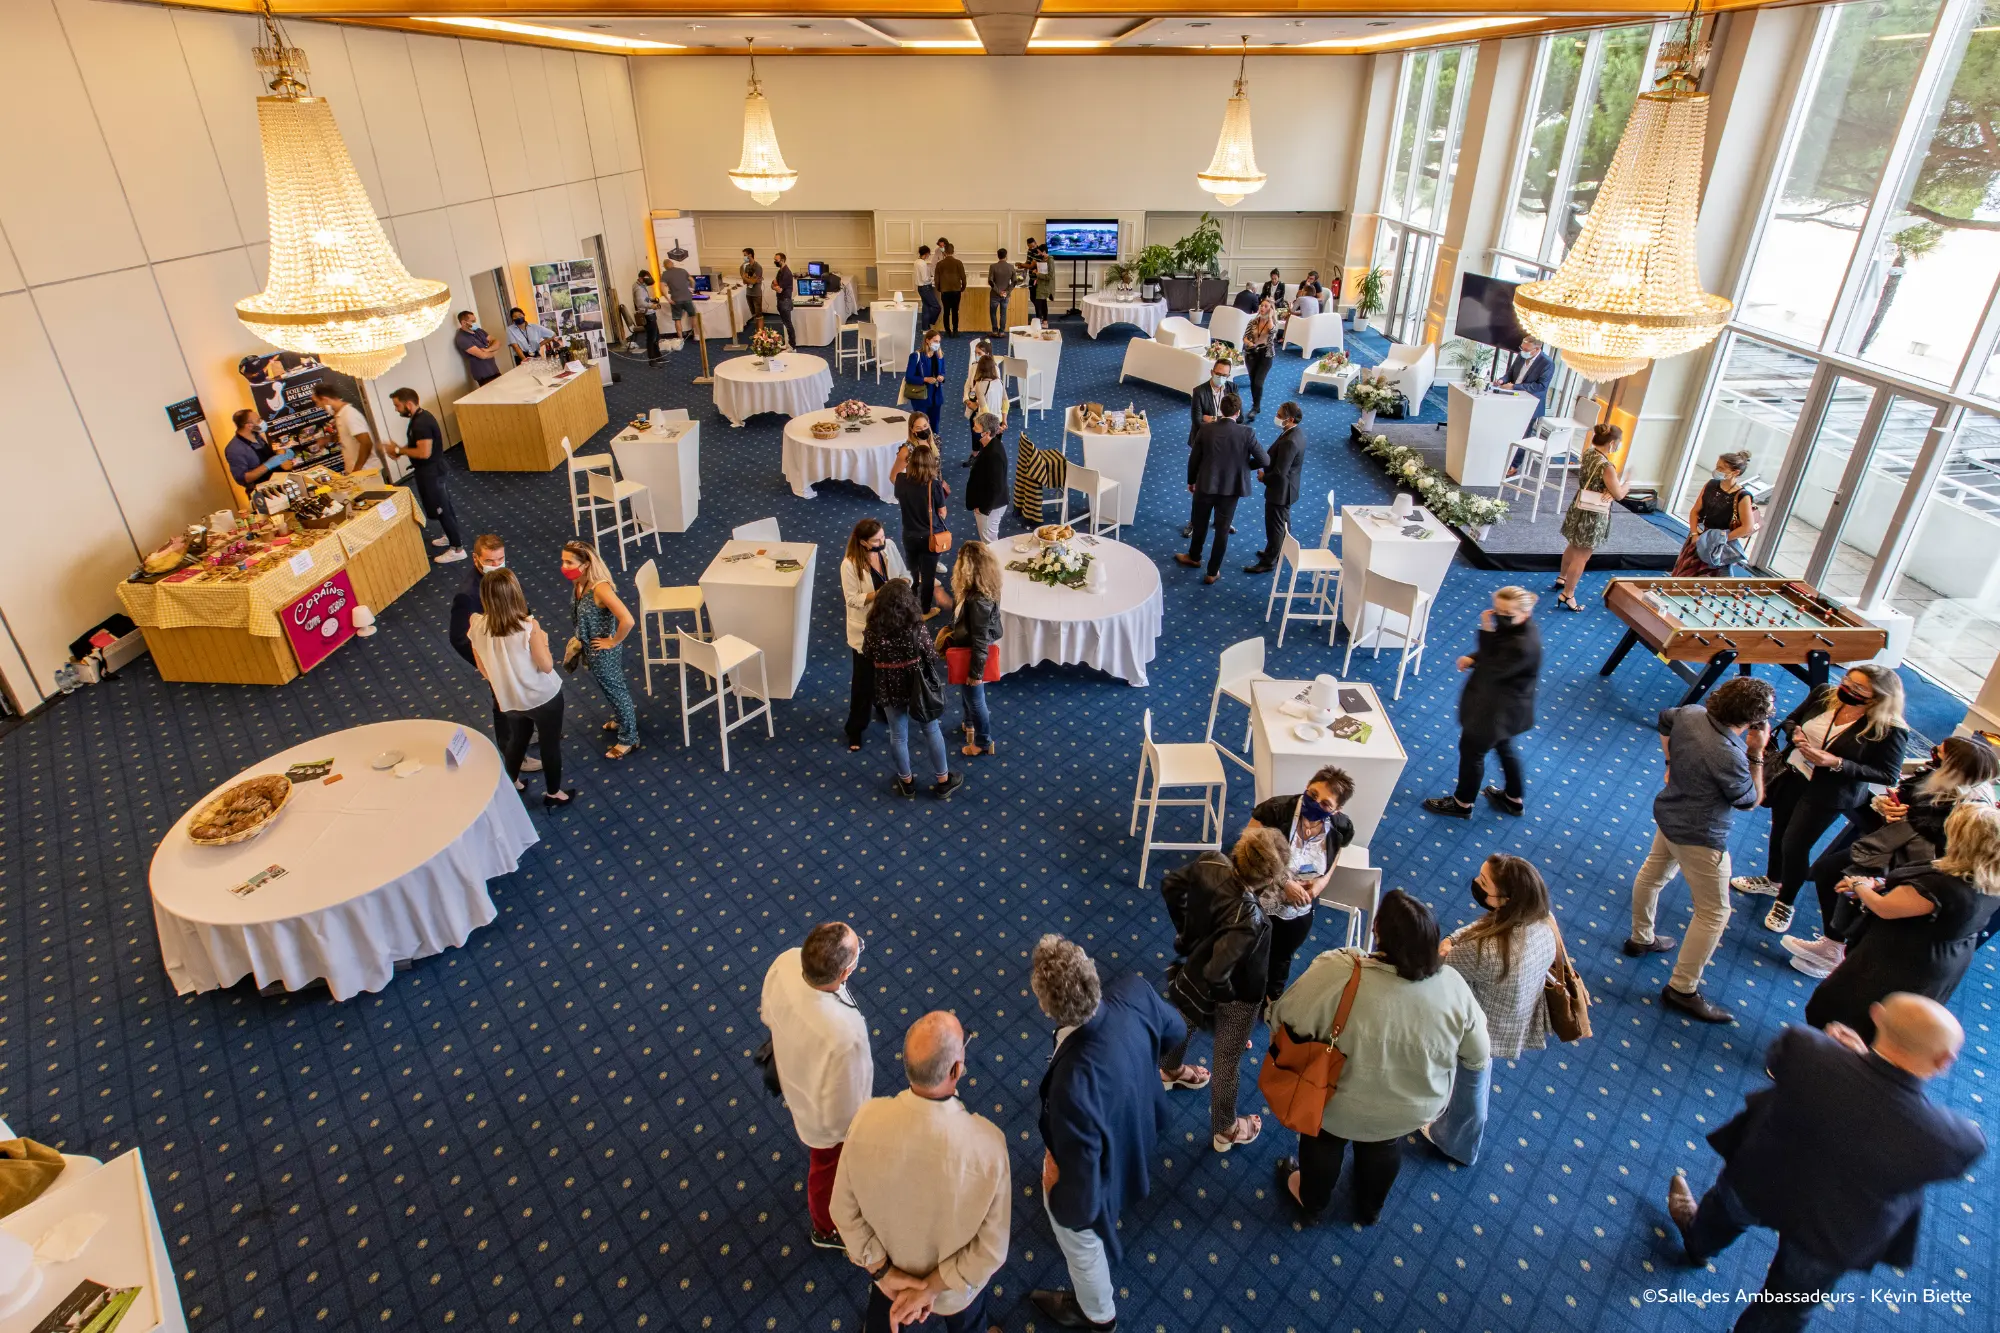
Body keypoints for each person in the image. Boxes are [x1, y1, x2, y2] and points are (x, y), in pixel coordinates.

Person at [1665, 996, 1985, 1333]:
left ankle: (1698, 1243)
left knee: (1722, 1214)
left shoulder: (1807, 1048)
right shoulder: (1953, 1139)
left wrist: (1858, 1058)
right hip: (1833, 1231)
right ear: (1945, 1061)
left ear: (1876, 1016)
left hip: (1760, 1178)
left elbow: (1784, 1062)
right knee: (1785, 1309)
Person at [1270, 891, 1489, 1224]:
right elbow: (1478, 1055)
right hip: (1410, 1108)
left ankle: (1312, 1202)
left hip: (1331, 1100)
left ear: (1377, 931)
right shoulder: (1454, 986)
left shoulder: (1337, 970)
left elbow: (1283, 1018)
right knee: (1384, 1144)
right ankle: (1370, 1208)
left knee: (1324, 1140)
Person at [1029, 934, 1185, 1333]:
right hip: (1140, 1121)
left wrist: (1057, 1197)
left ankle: (1098, 1315)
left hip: (1101, 1164)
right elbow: (1176, 1030)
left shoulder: (1071, 1085)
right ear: (1092, 971)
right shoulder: (1134, 989)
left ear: (1047, 1007)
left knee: (1079, 1240)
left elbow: (1080, 1194)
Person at [831, 1012, 1008, 1333]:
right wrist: (931, 1288)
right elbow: (991, 1248)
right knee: (968, 1325)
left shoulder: (866, 1119)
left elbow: (842, 1210)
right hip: (955, 1292)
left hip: (891, 1281)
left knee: (882, 1320)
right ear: (957, 1070)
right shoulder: (988, 1145)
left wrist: (881, 1270)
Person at [1624, 675, 1776, 1024]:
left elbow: (1665, 717)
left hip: (1670, 813)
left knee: (1652, 874)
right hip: (1701, 837)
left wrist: (1670, 763)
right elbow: (1750, 801)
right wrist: (1756, 754)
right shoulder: (1730, 755)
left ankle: (1640, 938)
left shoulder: (1691, 713)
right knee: (1714, 913)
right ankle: (1682, 988)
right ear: (1752, 720)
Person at [1788, 736, 1999, 978]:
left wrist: (1913, 818)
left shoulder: (1972, 805)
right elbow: (1910, 799)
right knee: (1829, 874)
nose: (1933, 755)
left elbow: (1952, 841)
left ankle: (1842, 953)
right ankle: (1834, 943)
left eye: (1939, 753)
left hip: (1914, 860)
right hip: (1891, 845)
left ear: (1955, 765)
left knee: (1854, 892)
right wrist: (1891, 807)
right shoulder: (1941, 776)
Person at [1732, 665, 1909, 935]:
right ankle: (1773, 880)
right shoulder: (1825, 694)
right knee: (1779, 832)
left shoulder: (1889, 728)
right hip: (1792, 774)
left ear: (1879, 697)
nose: (1848, 689)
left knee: (1795, 845)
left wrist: (1836, 762)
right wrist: (1796, 734)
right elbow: (1791, 720)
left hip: (1828, 793)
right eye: (1848, 680)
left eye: (1859, 689)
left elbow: (1887, 773)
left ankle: (1785, 900)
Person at [1805, 804, 2000, 1039]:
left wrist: (1858, 884)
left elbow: (1884, 908)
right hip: (1942, 959)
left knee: (1847, 1013)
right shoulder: (1989, 879)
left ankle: (1812, 1062)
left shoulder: (1944, 887)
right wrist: (1878, 883)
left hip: (1903, 962)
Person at [1156, 826, 1291, 1152]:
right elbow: (1225, 973)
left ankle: (1170, 1069)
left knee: (1186, 1014)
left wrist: (1187, 934)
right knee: (1227, 1061)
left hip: (1196, 966)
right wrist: (1228, 1011)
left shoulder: (1210, 862)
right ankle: (1226, 1130)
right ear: (1269, 878)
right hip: (1236, 993)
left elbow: (1170, 885)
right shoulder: (1253, 919)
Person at [1429, 854, 1559, 1166]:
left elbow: (1442, 961)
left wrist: (1447, 946)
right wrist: (1453, 941)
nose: (1475, 884)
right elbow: (1485, 925)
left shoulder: (1488, 953)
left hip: (1481, 1026)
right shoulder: (1540, 919)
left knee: (1471, 1082)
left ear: (1506, 898)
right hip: (1517, 1011)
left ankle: (1456, 1144)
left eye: (1483, 883)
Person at [761, 922, 873, 1249]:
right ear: (845, 973)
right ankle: (824, 1229)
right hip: (825, 1119)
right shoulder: (844, 1034)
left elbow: (768, 1014)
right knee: (826, 1169)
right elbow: (848, 1100)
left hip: (792, 1066)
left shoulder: (785, 962)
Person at [1422, 587, 1543, 819]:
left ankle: (1462, 803)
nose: (1499, 616)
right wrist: (1474, 657)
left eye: (1506, 612)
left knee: (1472, 753)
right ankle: (1513, 799)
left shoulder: (1522, 645)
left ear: (1525, 613)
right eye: (1496, 609)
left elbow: (1492, 668)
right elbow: (1498, 650)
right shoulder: (1521, 627)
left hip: (1493, 711)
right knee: (1505, 747)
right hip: (1510, 710)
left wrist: (1486, 629)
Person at [1246, 766, 1356, 1001]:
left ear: (1337, 810)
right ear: (1307, 785)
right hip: (1258, 897)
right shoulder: (1275, 810)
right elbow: (1248, 849)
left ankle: (1271, 997)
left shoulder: (1340, 826)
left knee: (1282, 955)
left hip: (1299, 907)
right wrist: (1284, 882)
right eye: (1313, 794)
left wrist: (1321, 883)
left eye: (1326, 804)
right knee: (1248, 949)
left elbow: (1336, 854)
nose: (1315, 804)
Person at [466, 568, 571, 809]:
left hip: (509, 698)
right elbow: (545, 666)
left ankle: (511, 781)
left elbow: (483, 670)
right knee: (550, 744)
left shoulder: (475, 625)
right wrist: (544, 641)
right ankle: (554, 793)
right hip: (543, 697)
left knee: (517, 740)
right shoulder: (528, 626)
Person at [864, 579, 962, 799]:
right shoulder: (915, 627)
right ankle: (943, 781)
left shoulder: (873, 630)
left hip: (888, 685)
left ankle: (906, 782)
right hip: (919, 686)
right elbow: (932, 656)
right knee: (931, 730)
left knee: (898, 736)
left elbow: (868, 654)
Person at [449, 535, 540, 772]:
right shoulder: (467, 594)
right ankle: (513, 753)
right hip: (496, 661)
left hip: (518, 650)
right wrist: (486, 665)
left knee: (523, 697)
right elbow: (459, 638)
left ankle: (527, 734)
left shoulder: (503, 576)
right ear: (476, 559)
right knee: (505, 706)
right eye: (490, 560)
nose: (497, 564)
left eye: (501, 558)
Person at [1177, 392, 1268, 584]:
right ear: (1238, 412)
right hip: (1231, 489)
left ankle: (1194, 557)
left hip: (1205, 485)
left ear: (1221, 410)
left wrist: (1191, 480)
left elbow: (1194, 459)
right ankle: (1212, 572)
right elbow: (1264, 460)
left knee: (1199, 522)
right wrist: (1243, 466)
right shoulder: (1247, 433)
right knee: (1222, 529)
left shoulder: (1206, 429)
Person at [559, 541, 639, 760]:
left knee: (615, 690)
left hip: (603, 652)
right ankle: (623, 720)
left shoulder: (599, 588)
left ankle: (629, 738)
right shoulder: (578, 582)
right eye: (563, 561)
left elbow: (628, 620)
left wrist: (612, 642)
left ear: (585, 564)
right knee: (609, 689)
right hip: (590, 648)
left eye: (569, 562)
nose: (564, 566)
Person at [841, 517, 909, 753]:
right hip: (866, 630)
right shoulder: (849, 565)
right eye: (876, 540)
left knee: (888, 672)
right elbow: (851, 599)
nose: (883, 542)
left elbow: (903, 573)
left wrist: (904, 584)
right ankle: (855, 728)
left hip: (892, 624)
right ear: (863, 542)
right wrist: (879, 594)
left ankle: (881, 708)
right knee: (863, 681)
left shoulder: (887, 547)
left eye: (882, 536)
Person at [1553, 423, 1630, 611]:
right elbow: (1619, 494)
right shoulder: (1607, 466)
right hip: (1593, 513)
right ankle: (1568, 594)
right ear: (1612, 443)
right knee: (1582, 555)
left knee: (1572, 544)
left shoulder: (1588, 453)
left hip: (1580, 505)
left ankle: (1562, 577)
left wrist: (1610, 491)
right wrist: (1628, 483)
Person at [385, 388, 466, 564]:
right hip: (430, 471)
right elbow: (418, 446)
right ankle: (449, 535)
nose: (396, 409)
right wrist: (401, 451)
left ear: (408, 404)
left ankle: (457, 548)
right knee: (443, 507)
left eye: (397, 405)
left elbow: (423, 452)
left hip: (432, 473)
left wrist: (399, 450)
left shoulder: (421, 423)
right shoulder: (419, 418)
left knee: (442, 509)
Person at [939, 541, 1001, 759]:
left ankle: (984, 741)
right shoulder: (974, 587)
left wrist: (976, 674)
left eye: (959, 558)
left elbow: (981, 641)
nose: (956, 559)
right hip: (967, 648)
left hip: (974, 654)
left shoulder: (979, 600)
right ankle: (969, 723)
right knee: (967, 693)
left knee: (975, 697)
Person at [1672, 449, 1758, 576]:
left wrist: (1720, 539)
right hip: (1700, 536)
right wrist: (1695, 534)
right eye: (1717, 466)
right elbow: (1695, 511)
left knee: (1704, 578)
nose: (1717, 470)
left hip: (1717, 544)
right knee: (1683, 572)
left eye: (1722, 468)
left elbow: (1747, 527)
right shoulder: (1711, 484)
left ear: (1735, 472)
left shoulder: (1743, 496)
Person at [1244, 400, 1304, 574]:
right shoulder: (1295, 433)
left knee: (1275, 527)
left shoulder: (1290, 441)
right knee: (1282, 524)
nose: (1276, 418)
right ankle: (1275, 551)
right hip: (1288, 488)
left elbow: (1279, 472)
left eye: (1279, 416)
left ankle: (1269, 561)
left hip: (1281, 491)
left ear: (1290, 419)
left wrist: (1264, 478)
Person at [893, 441, 951, 617]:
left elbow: (899, 496)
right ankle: (925, 610)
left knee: (912, 571)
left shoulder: (901, 480)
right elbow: (942, 512)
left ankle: (910, 605)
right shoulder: (933, 485)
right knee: (928, 576)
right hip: (929, 537)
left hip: (909, 534)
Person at [309, 383, 384, 478]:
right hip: (357, 472)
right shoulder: (339, 414)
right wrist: (328, 439)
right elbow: (346, 436)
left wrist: (356, 471)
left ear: (325, 400)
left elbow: (366, 443)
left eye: (317, 402)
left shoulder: (349, 414)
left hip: (366, 472)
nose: (318, 406)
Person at [964, 412, 1008, 547]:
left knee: (990, 544)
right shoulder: (991, 444)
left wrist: (984, 509)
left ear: (987, 433)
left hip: (991, 507)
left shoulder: (993, 454)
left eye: (976, 428)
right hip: (991, 504)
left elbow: (996, 487)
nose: (973, 430)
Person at [223, 409, 295, 489]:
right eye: (258, 420)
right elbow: (243, 479)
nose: (262, 422)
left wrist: (282, 453)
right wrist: (268, 465)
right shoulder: (234, 450)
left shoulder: (257, 435)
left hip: (280, 482)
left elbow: (268, 454)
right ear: (249, 426)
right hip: (264, 491)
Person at [1492, 334, 1552, 424]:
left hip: (1530, 403)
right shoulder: (1521, 355)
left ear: (1537, 349)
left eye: (1526, 350)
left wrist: (1514, 386)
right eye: (1522, 348)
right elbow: (1510, 373)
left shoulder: (1547, 363)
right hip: (1513, 398)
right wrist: (1502, 380)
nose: (1523, 351)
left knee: (1524, 435)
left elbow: (1541, 386)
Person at [903, 331, 947, 447]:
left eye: (939, 342)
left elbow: (943, 371)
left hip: (936, 396)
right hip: (921, 397)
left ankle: (934, 447)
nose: (937, 344)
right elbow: (909, 377)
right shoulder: (916, 356)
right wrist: (925, 379)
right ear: (927, 340)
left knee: (935, 423)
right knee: (921, 424)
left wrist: (942, 377)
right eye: (935, 341)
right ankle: (921, 447)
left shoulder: (939, 355)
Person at [1240, 304, 1276, 422]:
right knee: (1252, 381)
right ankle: (1256, 405)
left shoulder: (1273, 322)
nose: (1262, 308)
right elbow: (1245, 337)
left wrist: (1270, 317)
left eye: (1266, 306)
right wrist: (1250, 344)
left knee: (1258, 382)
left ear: (1270, 309)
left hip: (1266, 355)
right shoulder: (1253, 322)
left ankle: (1255, 407)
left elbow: (1272, 331)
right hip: (1252, 353)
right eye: (1261, 305)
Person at [964, 354, 1006, 443]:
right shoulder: (999, 382)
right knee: (996, 446)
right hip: (999, 420)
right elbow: (1006, 402)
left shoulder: (979, 384)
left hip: (987, 425)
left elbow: (984, 409)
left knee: (985, 449)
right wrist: (1004, 421)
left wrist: (994, 428)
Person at [453, 310, 501, 386]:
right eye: (472, 321)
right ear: (464, 323)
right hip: (483, 375)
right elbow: (482, 356)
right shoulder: (462, 338)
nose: (475, 323)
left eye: (475, 320)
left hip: (494, 370)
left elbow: (497, 342)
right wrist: (495, 351)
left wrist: (488, 350)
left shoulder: (479, 331)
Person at [659, 247, 698, 343]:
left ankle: (680, 338)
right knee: (693, 315)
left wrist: (668, 299)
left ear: (665, 267)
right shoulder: (682, 270)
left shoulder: (665, 274)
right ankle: (695, 335)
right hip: (687, 297)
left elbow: (662, 287)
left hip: (675, 299)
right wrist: (692, 290)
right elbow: (692, 280)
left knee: (677, 319)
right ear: (673, 264)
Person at [936, 242, 967, 336]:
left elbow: (936, 279)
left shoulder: (940, 264)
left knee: (946, 311)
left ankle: (947, 330)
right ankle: (955, 330)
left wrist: (939, 288)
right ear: (953, 251)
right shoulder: (958, 263)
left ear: (944, 251)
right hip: (956, 290)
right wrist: (963, 287)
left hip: (945, 291)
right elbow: (963, 277)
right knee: (955, 311)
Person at [631, 269, 661, 364]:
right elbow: (640, 303)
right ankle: (652, 360)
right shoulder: (639, 288)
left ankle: (658, 356)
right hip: (647, 315)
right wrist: (652, 305)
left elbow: (644, 299)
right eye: (646, 278)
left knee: (656, 336)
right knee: (651, 338)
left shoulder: (641, 286)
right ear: (640, 278)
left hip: (650, 314)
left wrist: (651, 299)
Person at [987, 248, 1017, 334]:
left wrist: (998, 291)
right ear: (1006, 256)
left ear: (998, 256)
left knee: (993, 313)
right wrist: (1007, 292)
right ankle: (1002, 331)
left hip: (994, 295)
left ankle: (995, 330)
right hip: (1006, 295)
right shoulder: (1011, 267)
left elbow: (990, 281)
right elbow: (1014, 282)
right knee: (1003, 313)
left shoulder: (993, 266)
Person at [772, 251, 797, 347]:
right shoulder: (780, 271)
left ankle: (792, 345)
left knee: (788, 324)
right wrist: (775, 286)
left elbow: (779, 289)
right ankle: (788, 344)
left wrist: (775, 286)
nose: (775, 261)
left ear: (782, 260)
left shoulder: (786, 273)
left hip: (785, 301)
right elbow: (773, 283)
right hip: (780, 300)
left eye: (776, 260)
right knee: (785, 324)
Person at [914, 244, 940, 334]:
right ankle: (930, 323)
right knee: (937, 307)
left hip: (920, 288)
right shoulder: (922, 263)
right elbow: (925, 278)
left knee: (926, 308)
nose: (929, 256)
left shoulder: (917, 262)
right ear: (925, 254)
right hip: (926, 288)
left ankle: (925, 328)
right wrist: (932, 279)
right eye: (929, 254)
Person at [739, 248, 765, 334]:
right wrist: (747, 278)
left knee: (759, 314)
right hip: (749, 293)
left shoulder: (757, 267)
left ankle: (761, 333)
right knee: (754, 314)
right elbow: (745, 282)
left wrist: (746, 278)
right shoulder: (747, 266)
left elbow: (753, 281)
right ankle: (757, 331)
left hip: (756, 293)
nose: (744, 257)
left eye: (745, 255)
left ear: (750, 255)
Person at [1029, 241, 1053, 323]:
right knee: (1041, 302)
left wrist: (1038, 274)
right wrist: (1037, 270)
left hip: (1044, 286)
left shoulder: (1050, 261)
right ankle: (1042, 320)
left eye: (1039, 252)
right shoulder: (1044, 259)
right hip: (1040, 284)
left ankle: (1042, 321)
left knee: (1041, 303)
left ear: (1044, 252)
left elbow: (1050, 276)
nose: (1038, 254)